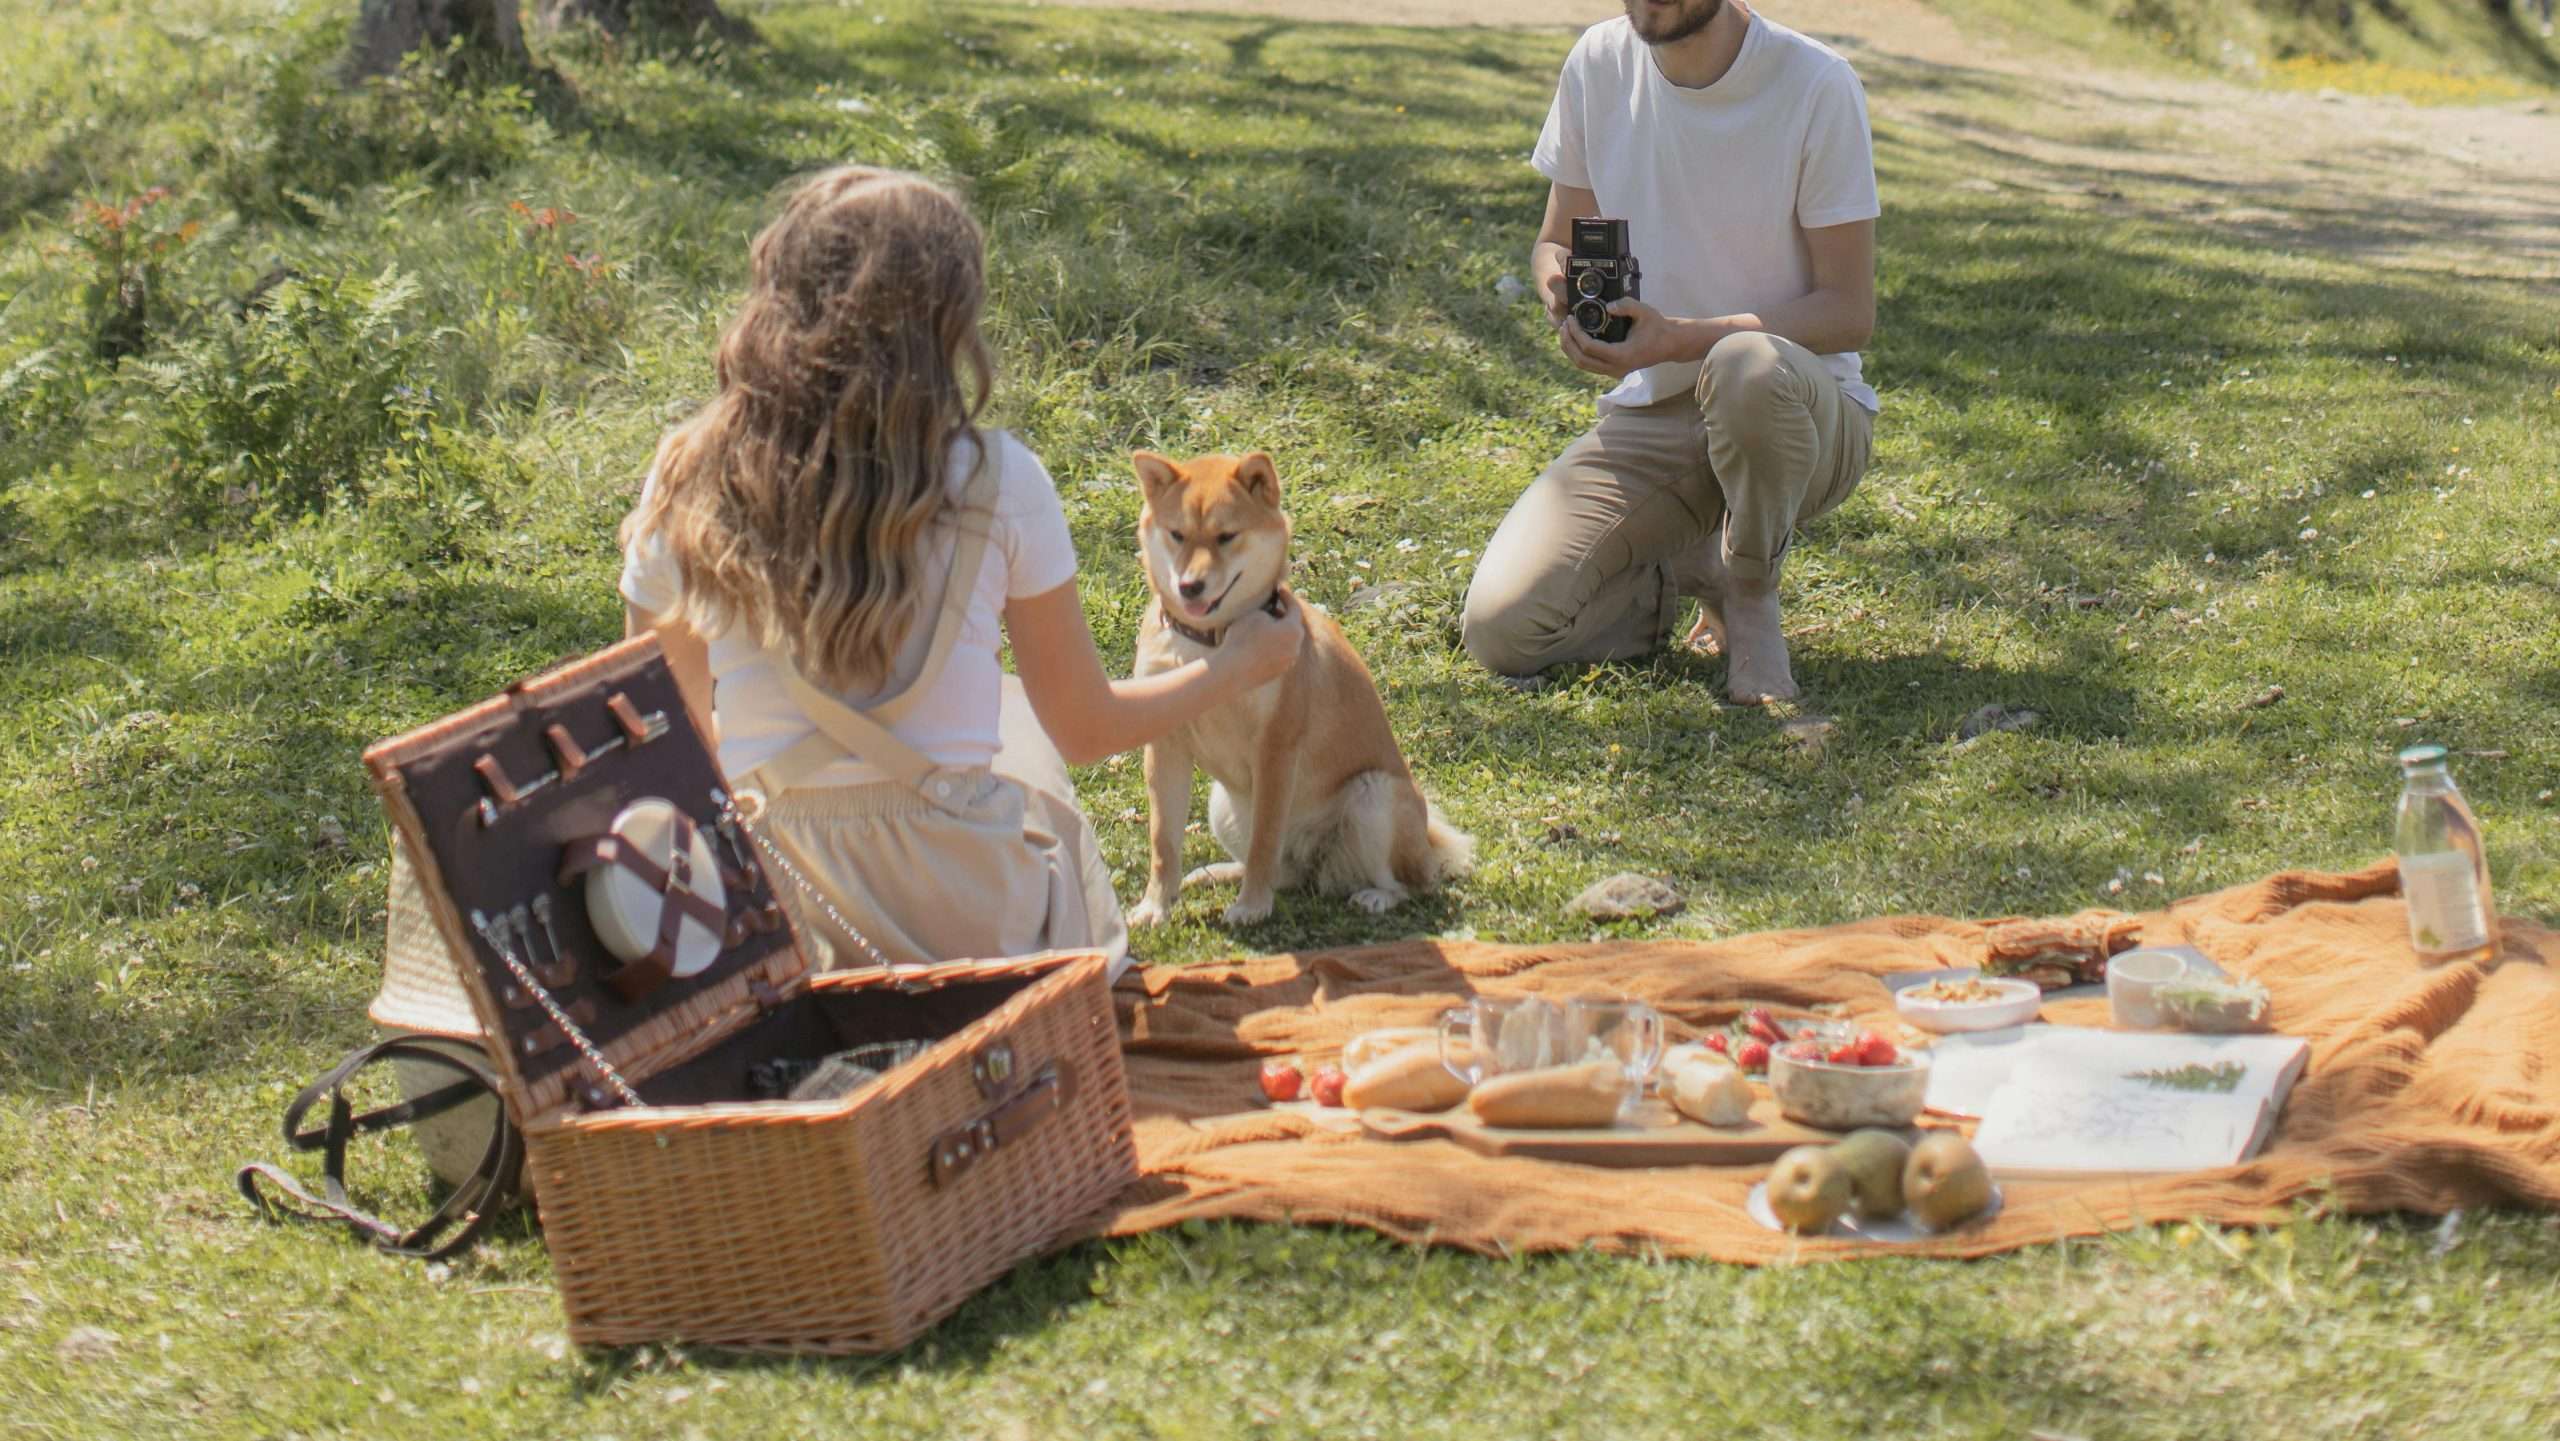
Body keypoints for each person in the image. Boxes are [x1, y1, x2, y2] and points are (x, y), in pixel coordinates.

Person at [619, 166, 1304, 975]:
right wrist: (1241, 665)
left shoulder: (687, 474)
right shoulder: (1001, 479)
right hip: (970, 922)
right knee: (1023, 737)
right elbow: (1085, 729)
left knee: (1007, 717)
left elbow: (657, 734)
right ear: (950, 322)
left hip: (770, 918)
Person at [1461, 0, 1880, 704]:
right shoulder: (1598, 62)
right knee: (1503, 630)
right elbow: (1556, 236)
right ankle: (1688, 574)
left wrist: (1682, 336)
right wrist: (1560, 284)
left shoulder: (1816, 84)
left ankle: (1750, 597)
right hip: (1657, 416)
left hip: (1798, 414)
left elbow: (1849, 311)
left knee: (1745, 365)